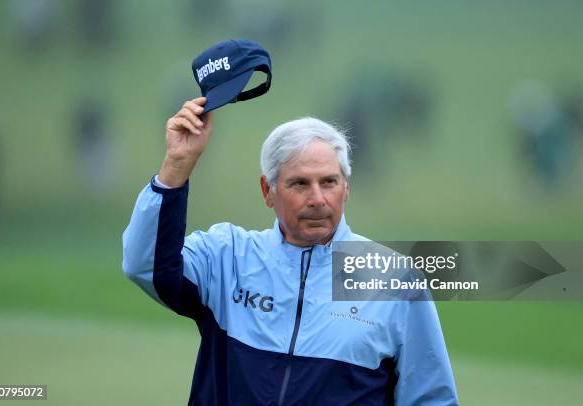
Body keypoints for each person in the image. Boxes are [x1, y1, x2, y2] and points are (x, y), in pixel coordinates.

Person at [122, 97, 459, 405]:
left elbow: (431, 397)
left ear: (347, 189)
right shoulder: (227, 257)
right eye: (300, 183)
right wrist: (176, 165)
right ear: (268, 191)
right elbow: (145, 265)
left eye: (329, 182)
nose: (317, 198)